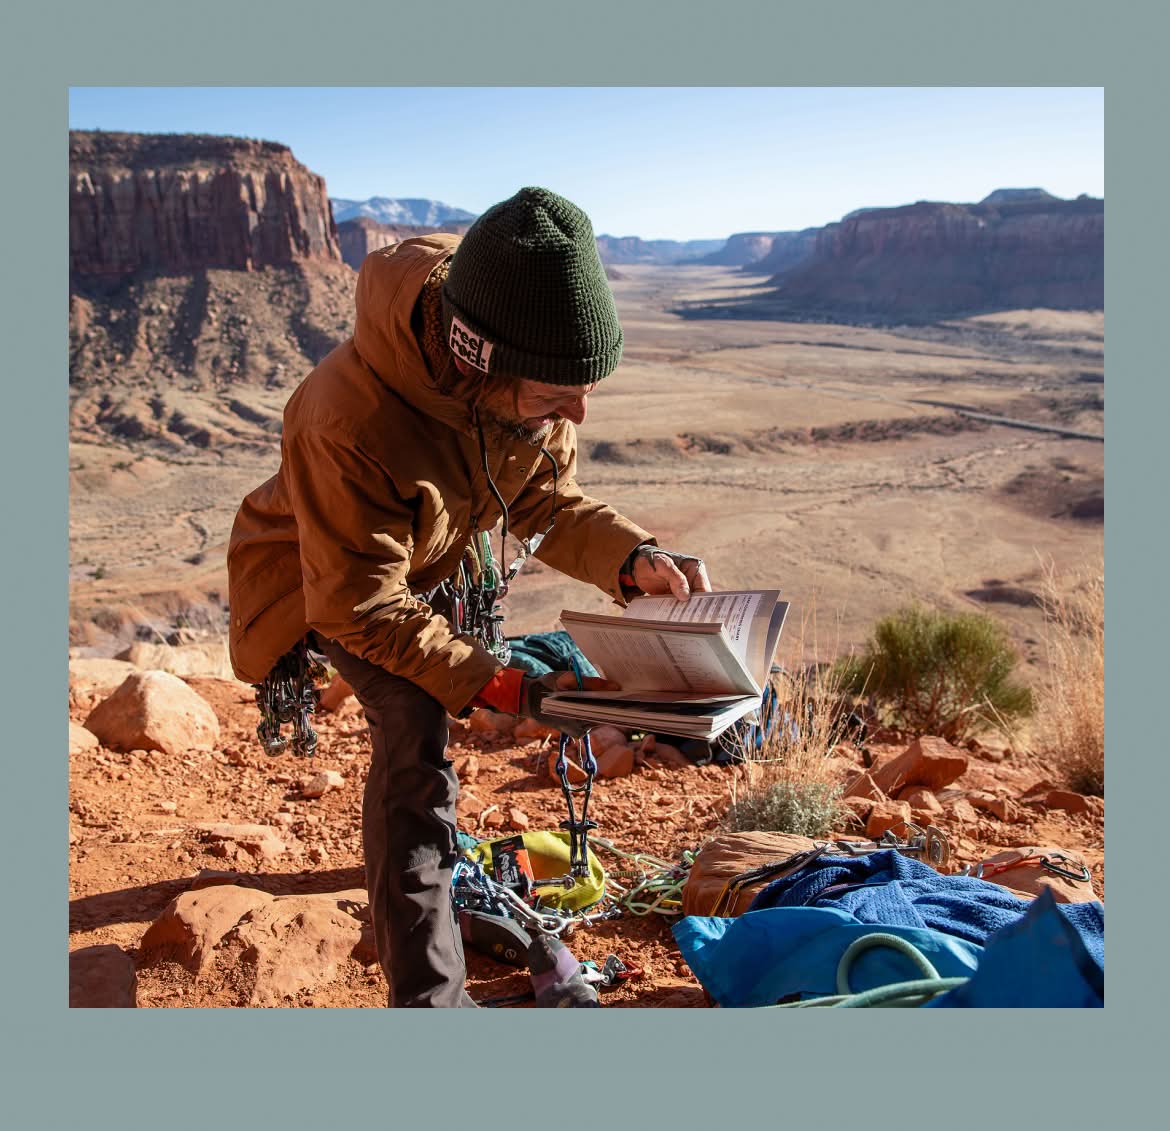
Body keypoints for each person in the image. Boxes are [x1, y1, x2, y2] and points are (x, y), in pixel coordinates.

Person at [226, 187, 711, 1007]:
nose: (579, 410)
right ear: (475, 357)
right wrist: (496, 682)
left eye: (585, 385)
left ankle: (410, 873)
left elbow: (546, 500)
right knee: (414, 742)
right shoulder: (345, 424)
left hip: (427, 558)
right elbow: (363, 609)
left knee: (432, 746)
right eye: (558, 393)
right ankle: (431, 1003)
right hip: (330, 577)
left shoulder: (525, 356)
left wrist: (634, 559)